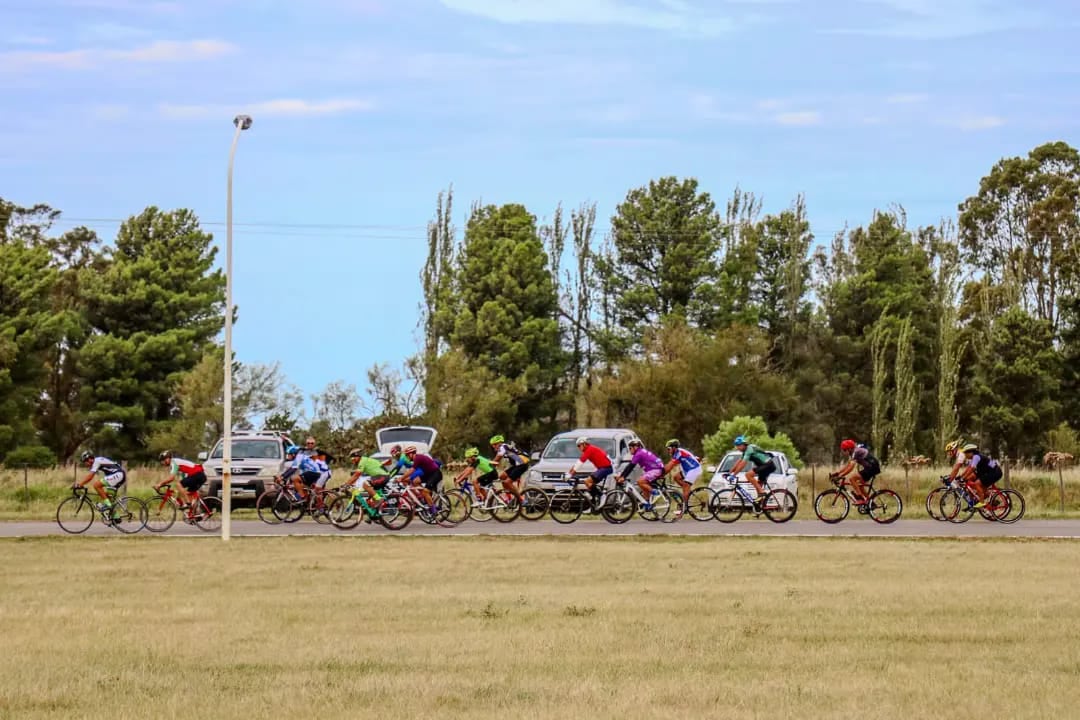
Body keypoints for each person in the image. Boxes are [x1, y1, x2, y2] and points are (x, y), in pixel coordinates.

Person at [614, 438, 670, 514]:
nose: (629, 450)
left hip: (656, 470)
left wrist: (622, 477)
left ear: (635, 447)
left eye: (630, 448)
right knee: (643, 485)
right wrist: (622, 476)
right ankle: (647, 504)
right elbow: (629, 467)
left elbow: (630, 467)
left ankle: (656, 493)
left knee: (640, 481)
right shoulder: (640, 452)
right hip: (655, 469)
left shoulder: (638, 454)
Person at [564, 436, 613, 511]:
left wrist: (571, 474)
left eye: (579, 446)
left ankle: (602, 495)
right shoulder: (588, 449)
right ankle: (592, 507)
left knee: (587, 481)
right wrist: (569, 472)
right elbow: (577, 463)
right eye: (577, 446)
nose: (578, 448)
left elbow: (580, 463)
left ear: (584, 444)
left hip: (606, 468)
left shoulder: (589, 449)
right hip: (602, 468)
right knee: (589, 486)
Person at [829, 439, 881, 504]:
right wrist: (838, 473)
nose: (844, 452)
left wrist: (841, 476)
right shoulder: (853, 452)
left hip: (872, 467)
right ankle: (870, 503)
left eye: (845, 450)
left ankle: (860, 498)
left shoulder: (856, 451)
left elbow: (851, 467)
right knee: (859, 486)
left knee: (852, 478)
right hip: (871, 468)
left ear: (850, 448)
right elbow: (848, 465)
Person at [727, 436, 774, 504]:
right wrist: (730, 472)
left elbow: (742, 464)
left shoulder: (749, 449)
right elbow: (739, 462)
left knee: (748, 475)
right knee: (758, 486)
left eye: (739, 445)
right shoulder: (745, 451)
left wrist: (734, 475)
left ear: (744, 444)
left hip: (767, 465)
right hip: (764, 466)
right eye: (736, 446)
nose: (737, 448)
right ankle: (760, 507)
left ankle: (762, 492)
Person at [347, 448, 390, 521]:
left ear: (358, 456)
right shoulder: (363, 461)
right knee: (369, 499)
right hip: (378, 476)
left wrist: (346, 484)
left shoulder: (362, 461)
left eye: (353, 457)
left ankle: (379, 499)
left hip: (382, 475)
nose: (352, 459)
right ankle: (374, 515)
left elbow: (357, 475)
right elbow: (357, 476)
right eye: (351, 458)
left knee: (365, 484)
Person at [960, 443, 1003, 507]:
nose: (965, 455)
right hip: (988, 472)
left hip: (995, 472)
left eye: (966, 453)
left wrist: (964, 477)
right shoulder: (973, 458)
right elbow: (968, 468)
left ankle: (981, 502)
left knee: (977, 483)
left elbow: (972, 468)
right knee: (973, 482)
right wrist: (961, 476)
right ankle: (991, 500)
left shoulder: (976, 457)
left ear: (971, 452)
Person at [663, 439, 702, 508]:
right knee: (676, 477)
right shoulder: (676, 453)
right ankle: (687, 492)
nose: (668, 451)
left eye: (669, 449)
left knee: (685, 486)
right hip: (687, 469)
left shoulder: (679, 453)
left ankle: (685, 508)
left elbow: (670, 466)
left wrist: (661, 474)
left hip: (694, 469)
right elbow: (670, 465)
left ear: (674, 448)